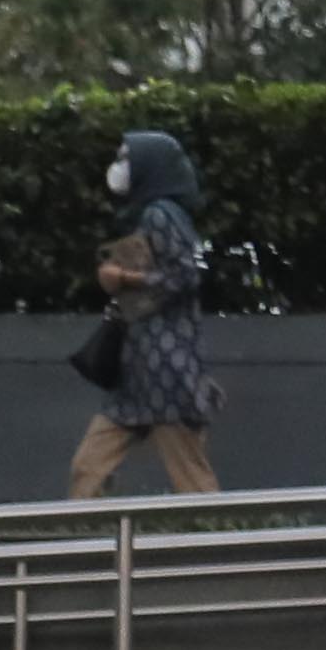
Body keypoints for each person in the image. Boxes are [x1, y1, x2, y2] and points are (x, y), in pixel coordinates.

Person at [67, 129, 220, 498]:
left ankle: (217, 547)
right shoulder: (150, 215)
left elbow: (185, 275)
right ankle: (93, 544)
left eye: (127, 159)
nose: (120, 167)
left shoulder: (160, 215)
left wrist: (123, 277)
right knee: (87, 469)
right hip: (140, 373)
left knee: (192, 481)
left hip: (165, 372)